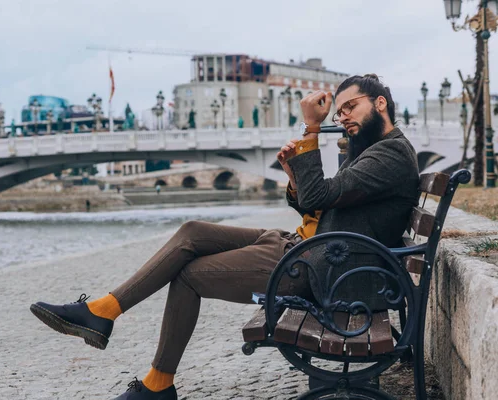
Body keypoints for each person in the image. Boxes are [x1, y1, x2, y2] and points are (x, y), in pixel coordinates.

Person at [30, 74, 420, 399]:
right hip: (310, 250)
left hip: (322, 272)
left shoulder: (390, 155)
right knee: (193, 232)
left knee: (188, 274)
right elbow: (320, 207)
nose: (344, 117)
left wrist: (312, 128)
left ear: (380, 103)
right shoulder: (373, 150)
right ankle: (103, 311)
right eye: (340, 112)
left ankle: (156, 383)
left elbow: (321, 196)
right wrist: (293, 176)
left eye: (350, 107)